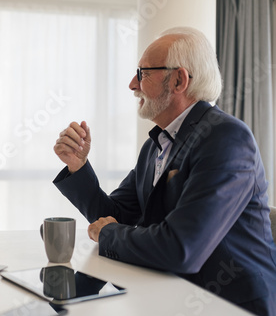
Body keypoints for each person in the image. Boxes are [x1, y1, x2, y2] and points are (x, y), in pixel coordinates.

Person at [53, 27, 276, 315]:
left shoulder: (227, 138)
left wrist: (109, 233)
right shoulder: (155, 145)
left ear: (179, 80)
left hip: (229, 305)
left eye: (143, 73)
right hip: (171, 293)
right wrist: (78, 165)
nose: (132, 84)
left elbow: (181, 249)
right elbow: (114, 215)